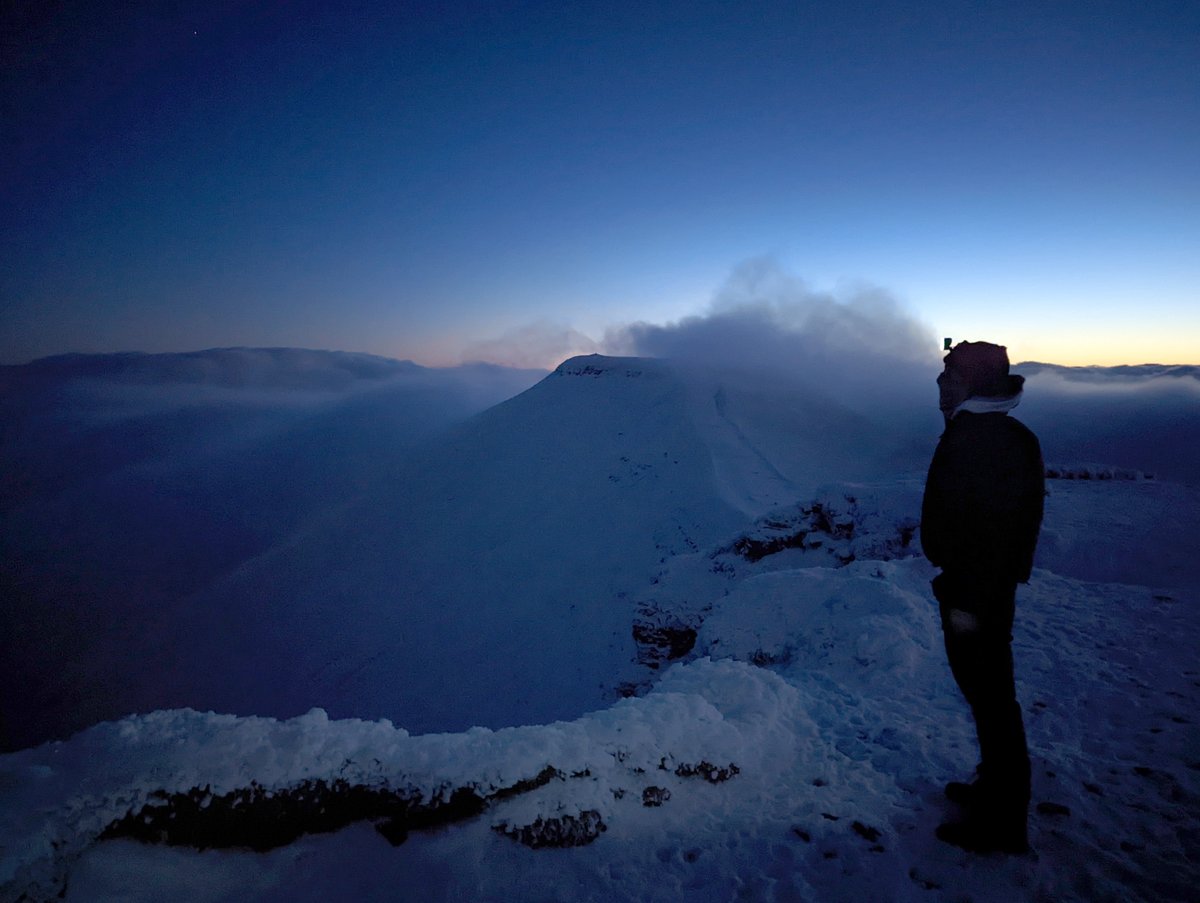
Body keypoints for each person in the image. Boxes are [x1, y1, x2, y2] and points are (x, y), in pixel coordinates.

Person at [921, 340, 1044, 854]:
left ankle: (1002, 822)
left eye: (950, 375)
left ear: (975, 383)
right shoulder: (1006, 434)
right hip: (983, 587)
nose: (940, 382)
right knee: (989, 695)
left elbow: (985, 525)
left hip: (975, 592)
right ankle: (994, 790)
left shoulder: (978, 438)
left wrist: (969, 592)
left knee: (990, 697)